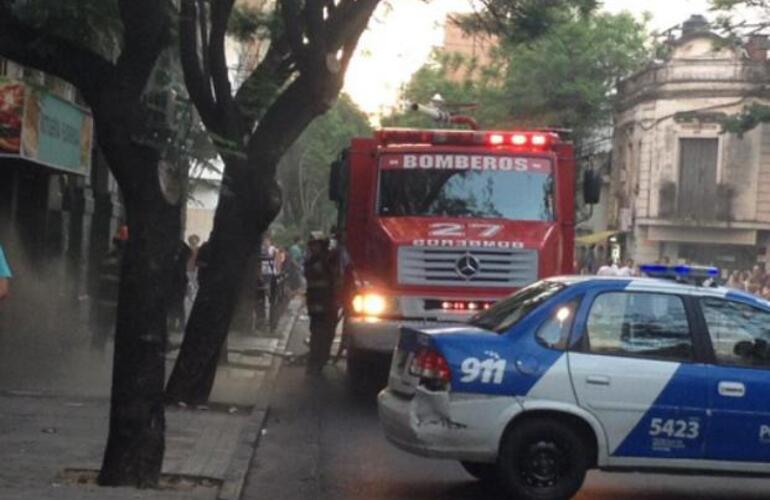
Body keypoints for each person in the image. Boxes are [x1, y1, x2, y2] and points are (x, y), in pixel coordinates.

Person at [304, 231, 337, 376]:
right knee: (318, 333)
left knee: (325, 333)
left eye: (316, 245)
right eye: (312, 245)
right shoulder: (315, 261)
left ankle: (319, 360)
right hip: (318, 302)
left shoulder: (327, 260)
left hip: (326, 302)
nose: (313, 248)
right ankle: (316, 361)